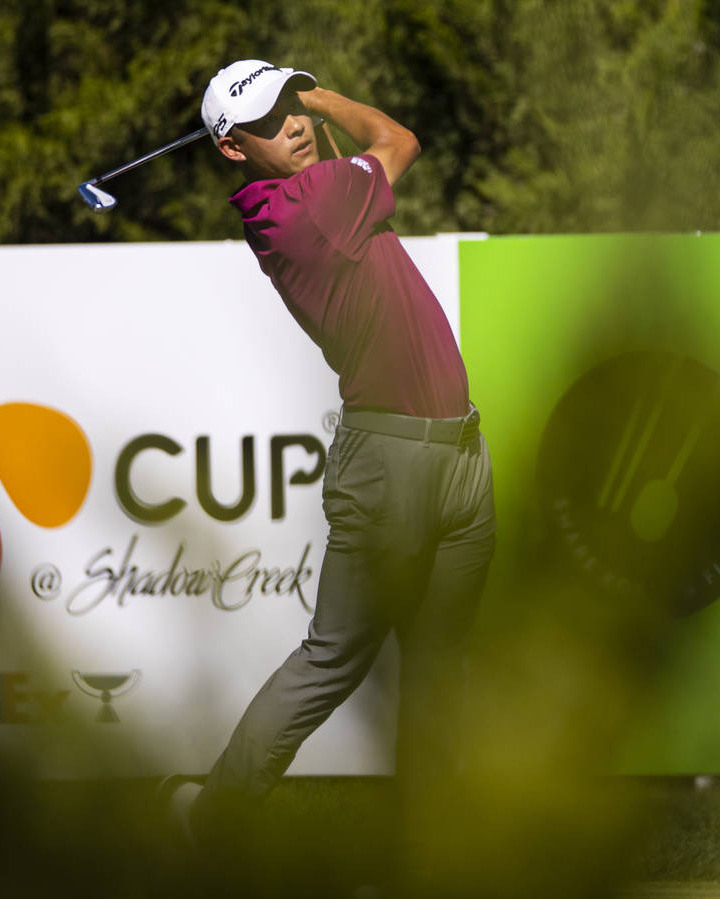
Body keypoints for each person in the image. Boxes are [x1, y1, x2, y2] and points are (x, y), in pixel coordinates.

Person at [172, 59, 497, 869]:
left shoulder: (309, 192)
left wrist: (297, 100)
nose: (295, 122)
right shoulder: (308, 207)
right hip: (388, 463)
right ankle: (215, 815)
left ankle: (430, 852)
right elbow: (397, 138)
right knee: (334, 656)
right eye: (271, 117)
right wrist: (324, 95)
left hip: (458, 451)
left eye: (293, 103)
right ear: (231, 148)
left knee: (437, 665)